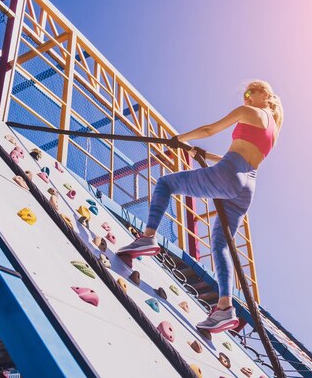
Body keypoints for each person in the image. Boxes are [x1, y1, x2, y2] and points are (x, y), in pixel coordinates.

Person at [117, 80, 284, 332]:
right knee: (220, 245)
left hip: (230, 173)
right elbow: (242, 153)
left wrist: (177, 139)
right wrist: (202, 155)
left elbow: (209, 130)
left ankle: (148, 237)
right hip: (247, 187)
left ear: (264, 94)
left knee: (165, 184)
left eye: (250, 92)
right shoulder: (273, 130)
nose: (246, 98)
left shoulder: (250, 112)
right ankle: (225, 308)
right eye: (245, 94)